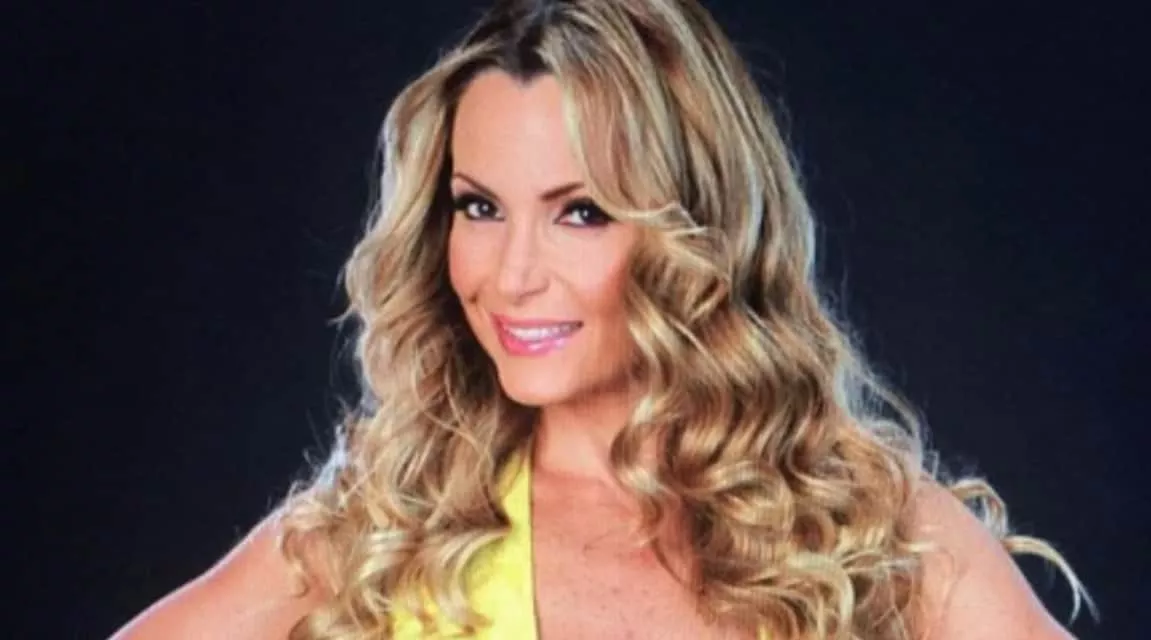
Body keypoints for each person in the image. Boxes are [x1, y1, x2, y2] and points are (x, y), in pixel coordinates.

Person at [111, 0, 1093, 638]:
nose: (511, 275)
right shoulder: (381, 533)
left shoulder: (871, 527)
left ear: (693, 231)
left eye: (579, 212)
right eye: (478, 207)